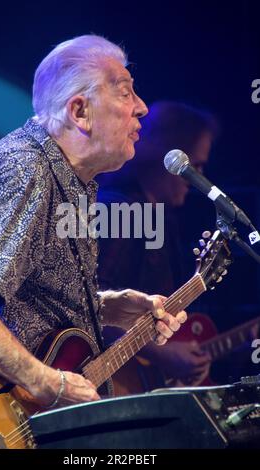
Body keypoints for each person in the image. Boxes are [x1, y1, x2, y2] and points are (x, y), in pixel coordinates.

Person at [0, 36, 187, 410]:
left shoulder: (71, 179)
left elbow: (25, 300)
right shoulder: (24, 168)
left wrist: (111, 307)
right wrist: (43, 380)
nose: (143, 108)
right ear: (80, 111)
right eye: (126, 92)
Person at [98, 101, 218, 386]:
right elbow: (89, 309)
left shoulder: (158, 217)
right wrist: (162, 355)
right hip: (114, 382)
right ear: (163, 156)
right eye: (194, 166)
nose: (198, 178)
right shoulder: (121, 212)